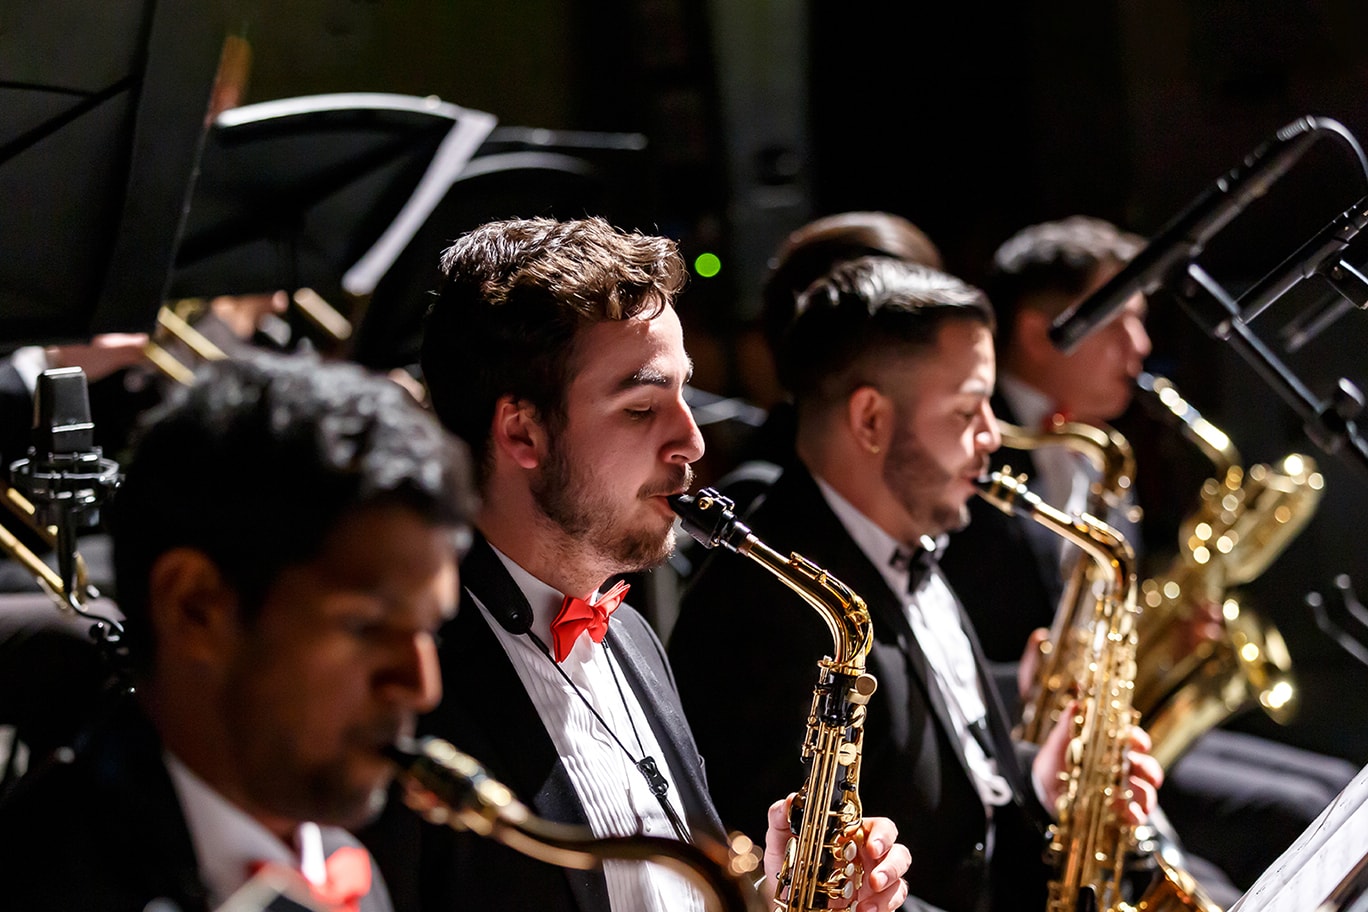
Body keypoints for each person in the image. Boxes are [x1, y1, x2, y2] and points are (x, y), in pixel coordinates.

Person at [361, 216, 912, 912]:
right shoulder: (401, 686)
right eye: (642, 407)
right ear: (522, 431)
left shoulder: (632, 637)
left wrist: (775, 895)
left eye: (684, 393)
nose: (692, 440)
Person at [668, 255, 1164, 912]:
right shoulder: (764, 608)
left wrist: (1043, 785)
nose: (992, 436)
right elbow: (810, 891)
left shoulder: (913, 537)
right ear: (871, 420)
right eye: (966, 410)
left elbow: (961, 799)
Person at [938, 214, 1358, 893]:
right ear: (1039, 333)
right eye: (1118, 322)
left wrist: (1168, 631)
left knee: (1337, 795)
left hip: (1124, 728)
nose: (1140, 346)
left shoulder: (1105, 453)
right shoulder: (968, 469)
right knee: (1300, 814)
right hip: (1040, 765)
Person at [0, 353, 477, 912]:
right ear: (195, 606)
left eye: (428, 631)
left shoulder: (346, 865)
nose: (422, 688)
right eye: (365, 626)